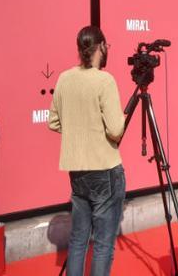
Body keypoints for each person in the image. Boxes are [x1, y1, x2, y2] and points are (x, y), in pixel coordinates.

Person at [49, 26, 126, 276]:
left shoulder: (64, 78)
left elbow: (53, 122)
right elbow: (116, 130)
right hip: (104, 169)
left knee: (78, 239)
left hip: (76, 169)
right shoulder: (104, 80)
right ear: (101, 46)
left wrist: (78, 129)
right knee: (103, 244)